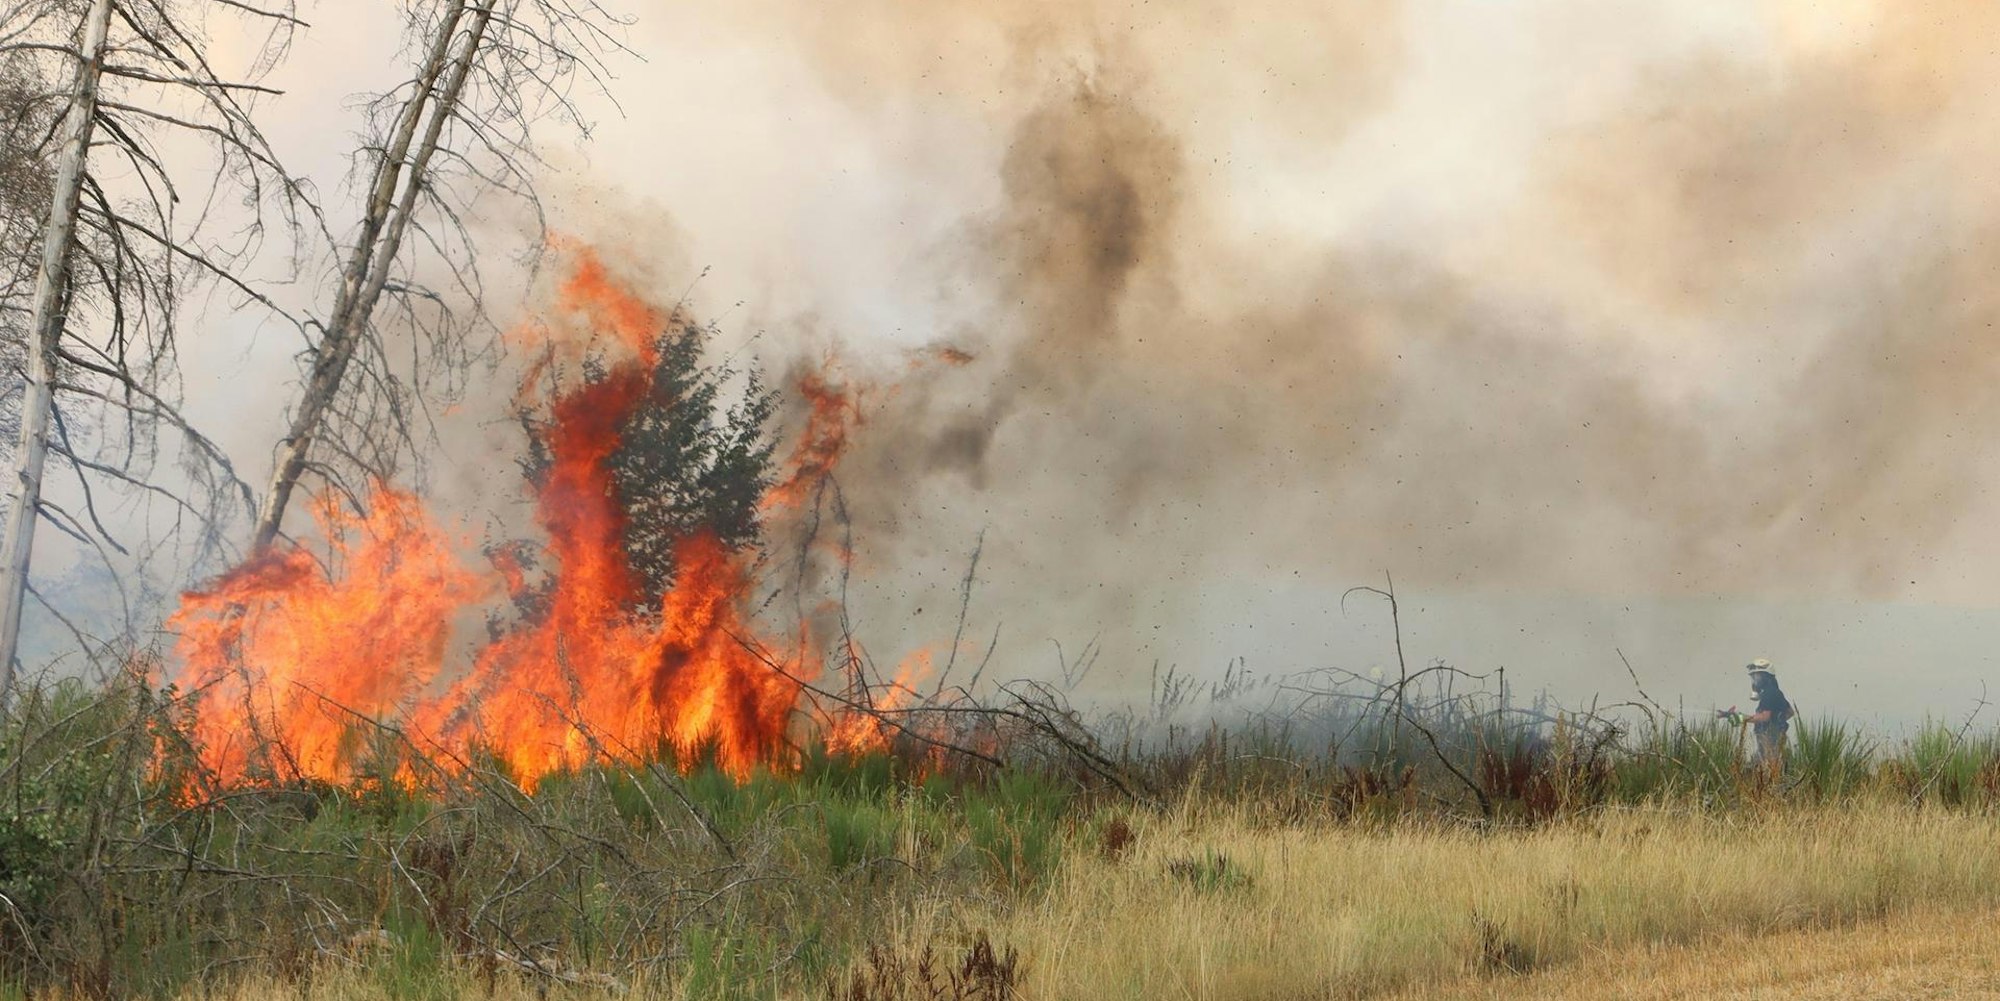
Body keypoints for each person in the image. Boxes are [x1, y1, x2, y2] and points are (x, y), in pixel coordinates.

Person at [1720, 658, 1794, 775]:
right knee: (1755, 769)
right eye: (1753, 677)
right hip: (1771, 740)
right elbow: (1790, 712)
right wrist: (1777, 721)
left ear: (1766, 676)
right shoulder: (1775, 692)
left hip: (1769, 741)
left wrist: (1739, 717)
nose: (1754, 680)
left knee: (1766, 771)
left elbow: (1764, 717)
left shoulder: (1770, 693)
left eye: (1757, 676)